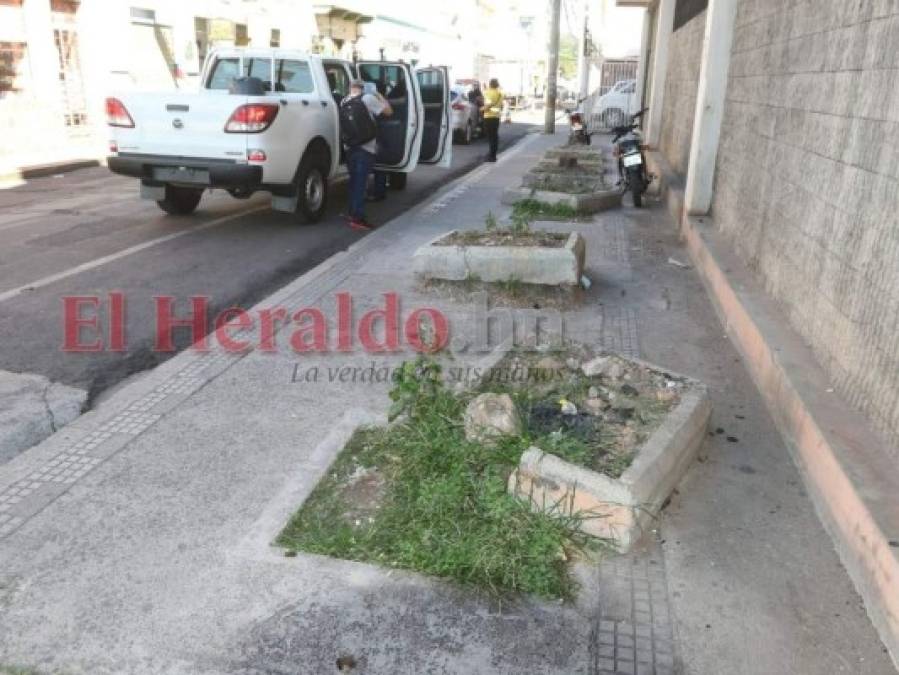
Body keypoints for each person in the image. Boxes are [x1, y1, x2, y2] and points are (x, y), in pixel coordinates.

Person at [342, 79, 392, 230]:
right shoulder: (367, 98)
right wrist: (379, 95)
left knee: (354, 182)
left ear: (350, 87)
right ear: (363, 88)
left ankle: (352, 213)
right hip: (366, 147)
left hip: (349, 146)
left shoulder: (344, 101)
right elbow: (389, 112)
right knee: (360, 183)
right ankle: (357, 218)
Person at [481, 78, 503, 162]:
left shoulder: (488, 93)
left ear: (490, 84)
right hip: (496, 117)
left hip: (489, 117)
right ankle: (493, 155)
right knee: (494, 137)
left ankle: (491, 156)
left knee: (491, 138)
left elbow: (489, 104)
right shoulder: (500, 93)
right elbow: (499, 106)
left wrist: (482, 109)